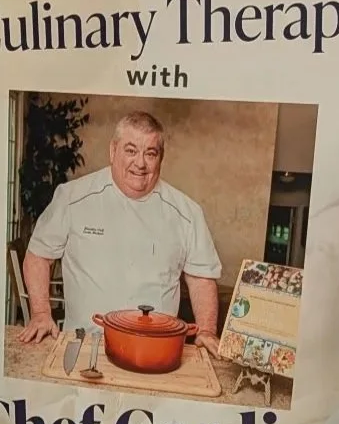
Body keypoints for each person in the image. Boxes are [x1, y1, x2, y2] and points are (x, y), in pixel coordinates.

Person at [18, 111, 223, 349]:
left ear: (161, 158)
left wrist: (207, 330)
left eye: (150, 153)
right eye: (131, 150)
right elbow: (38, 257)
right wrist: (41, 313)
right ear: (113, 151)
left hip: (156, 349)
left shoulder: (187, 213)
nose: (141, 163)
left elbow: (201, 278)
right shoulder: (72, 198)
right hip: (84, 344)